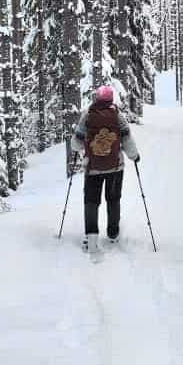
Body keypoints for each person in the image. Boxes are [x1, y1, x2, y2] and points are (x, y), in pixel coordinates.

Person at [71, 85, 140, 251]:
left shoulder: (87, 116)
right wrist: (134, 156)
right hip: (115, 168)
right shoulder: (118, 116)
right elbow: (127, 140)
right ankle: (113, 233)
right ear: (111, 100)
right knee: (113, 199)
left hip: (92, 167)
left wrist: (79, 148)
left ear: (97, 98)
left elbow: (76, 143)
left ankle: (92, 236)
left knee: (91, 201)